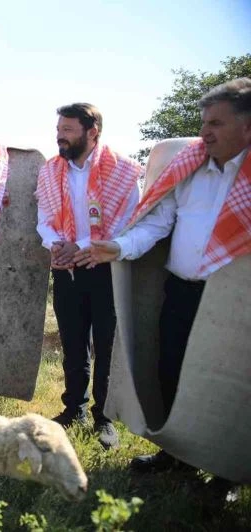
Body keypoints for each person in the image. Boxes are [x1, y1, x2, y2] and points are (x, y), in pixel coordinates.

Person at [76, 78, 251, 474]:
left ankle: (227, 470)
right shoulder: (188, 169)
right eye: (204, 122)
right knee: (170, 369)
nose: (205, 131)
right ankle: (176, 456)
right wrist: (118, 247)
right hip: (183, 293)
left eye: (217, 124)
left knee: (229, 386)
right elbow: (155, 225)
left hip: (234, 303)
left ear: (247, 126)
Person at [34, 103, 141, 450]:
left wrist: (78, 245)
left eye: (68, 129)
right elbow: (43, 218)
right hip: (66, 268)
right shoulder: (51, 171)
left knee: (107, 344)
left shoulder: (122, 171)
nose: (59, 136)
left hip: (106, 267)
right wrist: (56, 244)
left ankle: (104, 418)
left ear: (92, 131)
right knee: (73, 342)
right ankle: (73, 410)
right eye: (59, 129)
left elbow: (127, 222)